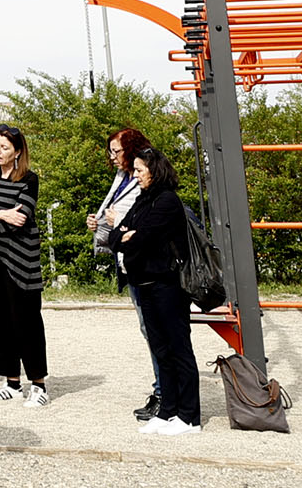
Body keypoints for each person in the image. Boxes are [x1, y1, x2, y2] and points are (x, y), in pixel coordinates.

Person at [119, 146, 201, 436]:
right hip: (144, 284)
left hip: (167, 285)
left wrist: (131, 236)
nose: (136, 175)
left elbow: (142, 239)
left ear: (154, 171)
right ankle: (168, 411)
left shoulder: (167, 200)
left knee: (178, 348)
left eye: (139, 170)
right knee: (161, 350)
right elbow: (117, 235)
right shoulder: (142, 199)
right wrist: (126, 236)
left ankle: (190, 417)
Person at [0, 124, 47, 407]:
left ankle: (38, 384)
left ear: (17, 152)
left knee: (27, 322)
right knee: (1, 323)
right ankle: (12, 381)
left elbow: (21, 218)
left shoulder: (28, 179)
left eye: (4, 147)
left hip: (20, 261)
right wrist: (1, 213)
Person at [87, 127, 156, 419]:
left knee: (155, 330)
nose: (112, 157)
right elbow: (117, 216)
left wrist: (115, 222)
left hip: (146, 263)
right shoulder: (121, 177)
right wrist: (101, 224)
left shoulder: (147, 181)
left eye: (116, 151)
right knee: (148, 328)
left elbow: (140, 221)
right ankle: (162, 389)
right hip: (128, 262)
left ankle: (164, 392)